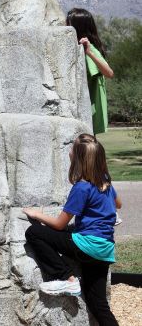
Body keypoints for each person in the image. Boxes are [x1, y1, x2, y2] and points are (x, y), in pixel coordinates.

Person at [24, 134, 121, 326]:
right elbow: (118, 204)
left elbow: (59, 224)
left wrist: (36, 214)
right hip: (105, 249)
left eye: (72, 148)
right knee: (98, 304)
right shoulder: (106, 183)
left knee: (34, 233)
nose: (69, 151)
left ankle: (66, 277)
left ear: (78, 158)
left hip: (87, 245)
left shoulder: (82, 187)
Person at [66, 8, 114, 134]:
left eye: (68, 24)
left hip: (89, 109)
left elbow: (109, 73)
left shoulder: (88, 48)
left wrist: (89, 53)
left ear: (78, 27)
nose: (66, 27)